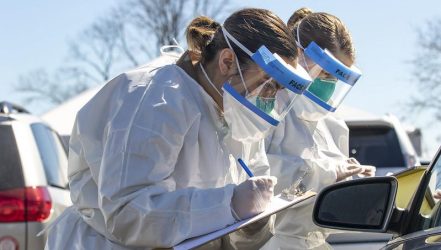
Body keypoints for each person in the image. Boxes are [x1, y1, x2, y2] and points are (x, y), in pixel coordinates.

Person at [45, 8, 311, 250]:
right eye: (266, 83)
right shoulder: (157, 97)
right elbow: (127, 213)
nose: (268, 98)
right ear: (227, 61)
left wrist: (254, 224)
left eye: (276, 90)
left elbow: (234, 222)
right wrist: (228, 204)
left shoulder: (237, 113)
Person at [261, 8, 376, 250]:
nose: (329, 83)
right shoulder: (267, 104)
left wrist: (361, 190)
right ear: (299, 55)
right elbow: (250, 173)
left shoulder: (333, 125)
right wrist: (328, 173)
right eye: (325, 72)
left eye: (337, 77)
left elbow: (329, 214)